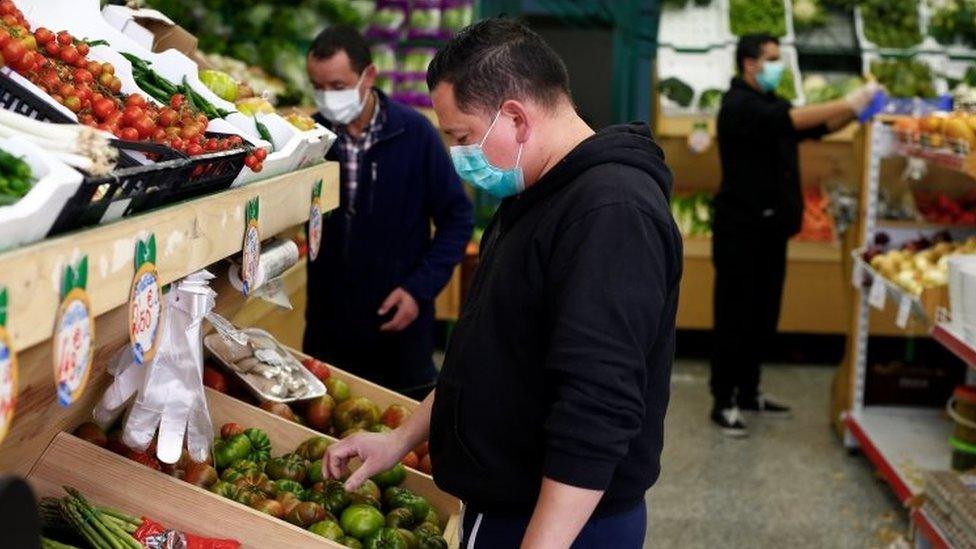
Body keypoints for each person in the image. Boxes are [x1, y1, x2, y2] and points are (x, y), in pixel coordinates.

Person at [324, 18, 682, 548]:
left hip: (562, 525)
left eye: (462, 137)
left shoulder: (611, 212)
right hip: (507, 509)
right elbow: (487, 353)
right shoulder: (534, 196)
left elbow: (598, 405)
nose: (457, 154)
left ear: (514, 116)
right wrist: (400, 438)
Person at [710, 34, 879, 437]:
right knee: (735, 315)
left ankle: (750, 391)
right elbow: (790, 121)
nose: (778, 65)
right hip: (741, 230)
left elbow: (813, 127)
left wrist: (859, 113)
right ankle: (725, 400)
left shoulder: (771, 102)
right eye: (771, 59)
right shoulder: (737, 105)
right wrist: (852, 99)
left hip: (773, 229)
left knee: (764, 314)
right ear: (749, 64)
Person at [303, 26, 473, 399]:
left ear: (369, 77)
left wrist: (419, 289)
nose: (328, 98)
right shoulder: (311, 137)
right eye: (319, 87)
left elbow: (457, 218)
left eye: (338, 85)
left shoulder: (414, 134)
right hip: (328, 332)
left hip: (399, 332)